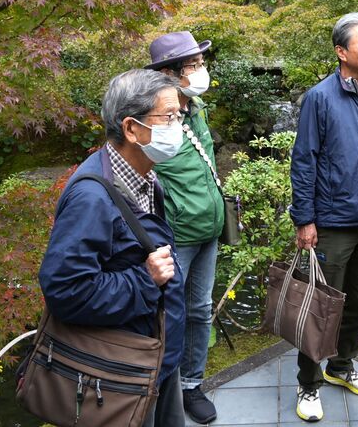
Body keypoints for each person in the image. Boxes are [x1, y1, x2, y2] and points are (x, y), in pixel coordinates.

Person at [39, 69, 187, 427]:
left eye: (180, 116)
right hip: (124, 368)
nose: (179, 125)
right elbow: (65, 289)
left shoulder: (144, 176)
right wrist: (145, 279)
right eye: (168, 117)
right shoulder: (91, 197)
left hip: (157, 354)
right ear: (132, 129)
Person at [289, 12, 358, 422]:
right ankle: (308, 383)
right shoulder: (320, 98)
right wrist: (305, 219)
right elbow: (304, 161)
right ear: (342, 51)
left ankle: (342, 366)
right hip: (333, 222)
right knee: (321, 305)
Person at [145, 30, 222, 424]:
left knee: (201, 309)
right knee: (169, 313)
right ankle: (160, 389)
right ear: (171, 73)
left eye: (200, 63)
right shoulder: (155, 119)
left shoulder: (196, 109)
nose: (201, 71)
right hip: (177, 235)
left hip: (208, 228)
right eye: (194, 65)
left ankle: (192, 383)